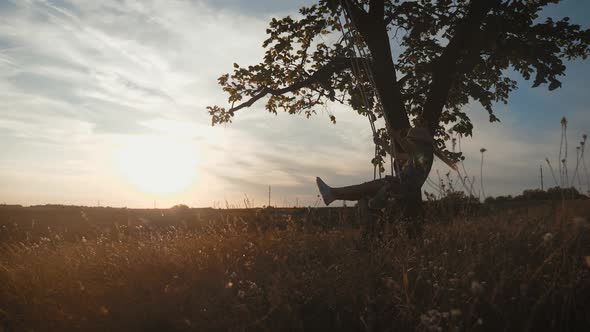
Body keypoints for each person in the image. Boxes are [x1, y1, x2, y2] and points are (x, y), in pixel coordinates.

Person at [316, 127, 455, 208]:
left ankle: (333, 193)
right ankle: (333, 194)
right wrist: (382, 143)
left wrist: (395, 136)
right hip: (399, 186)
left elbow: (408, 151)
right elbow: (396, 154)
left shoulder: (424, 155)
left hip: (402, 188)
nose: (409, 143)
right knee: (365, 190)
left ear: (419, 143)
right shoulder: (417, 157)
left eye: (411, 141)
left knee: (366, 188)